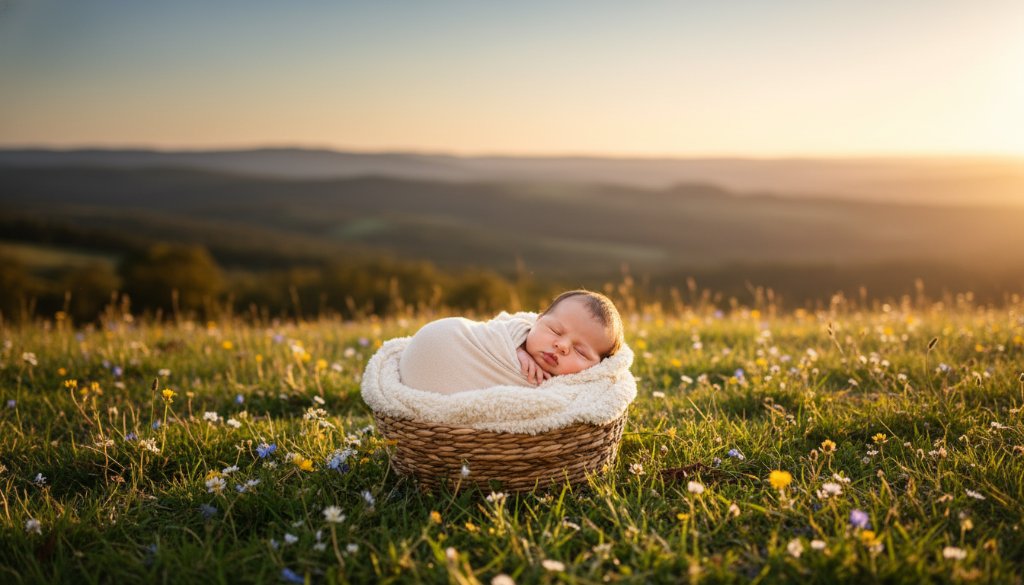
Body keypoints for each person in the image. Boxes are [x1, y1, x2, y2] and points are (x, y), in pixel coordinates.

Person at [398, 290, 624, 395]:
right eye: (555, 330)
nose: (562, 346)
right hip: (445, 340)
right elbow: (501, 328)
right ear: (538, 320)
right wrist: (515, 347)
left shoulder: (565, 392)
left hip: (440, 387)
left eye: (581, 352)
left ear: (597, 368)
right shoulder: (514, 331)